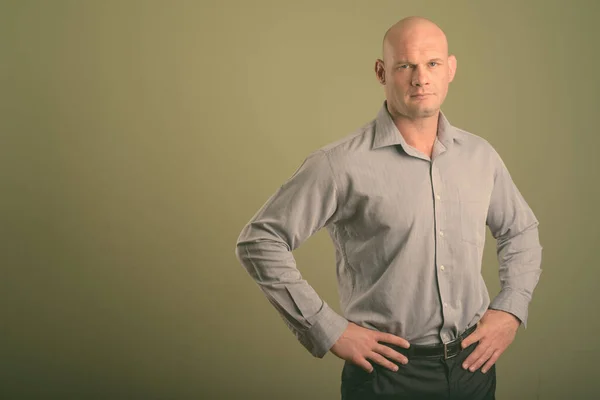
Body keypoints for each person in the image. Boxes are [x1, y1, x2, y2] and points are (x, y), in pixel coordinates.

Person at [235, 16, 542, 400]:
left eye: (432, 64)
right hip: (386, 377)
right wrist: (327, 328)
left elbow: (521, 231)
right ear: (382, 72)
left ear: (450, 70)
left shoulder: (480, 156)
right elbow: (260, 240)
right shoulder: (339, 164)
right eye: (405, 65)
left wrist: (510, 310)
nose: (420, 78)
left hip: (472, 368)